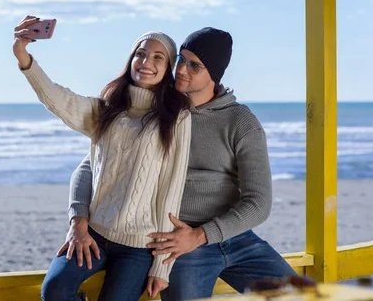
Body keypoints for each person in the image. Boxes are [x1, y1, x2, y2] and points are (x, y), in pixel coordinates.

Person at [70, 27, 297, 301]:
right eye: (181, 60)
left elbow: (259, 203)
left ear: (213, 75)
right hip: (179, 242)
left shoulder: (240, 122)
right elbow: (93, 165)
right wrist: (78, 219)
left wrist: (203, 234)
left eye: (194, 65)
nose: (181, 70)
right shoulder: (157, 111)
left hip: (236, 238)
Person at [12, 15, 192, 301]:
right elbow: (60, 100)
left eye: (158, 57)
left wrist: (162, 266)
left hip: (139, 247)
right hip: (93, 235)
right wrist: (24, 57)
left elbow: (171, 191)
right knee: (55, 291)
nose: (147, 62)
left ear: (168, 68)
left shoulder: (176, 117)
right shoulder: (108, 109)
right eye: (141, 54)